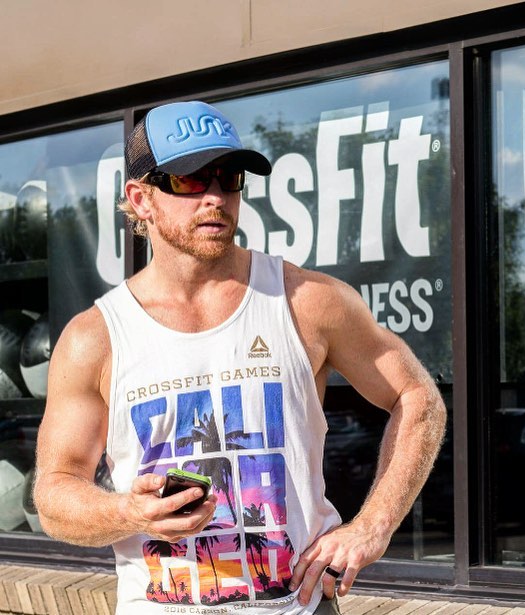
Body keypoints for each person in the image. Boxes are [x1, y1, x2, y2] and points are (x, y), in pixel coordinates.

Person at [34, 100, 447, 615]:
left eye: (228, 178)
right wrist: (129, 512)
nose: (214, 197)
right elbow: (55, 493)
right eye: (189, 180)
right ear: (141, 199)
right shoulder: (95, 337)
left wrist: (372, 526)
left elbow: (418, 397)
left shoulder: (306, 301)